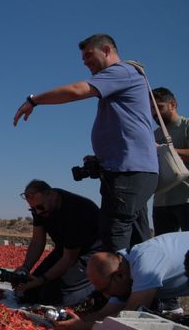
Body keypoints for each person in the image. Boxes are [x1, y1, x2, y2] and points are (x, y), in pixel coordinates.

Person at [13, 34, 158, 253]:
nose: (86, 62)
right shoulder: (123, 79)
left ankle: (115, 285)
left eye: (89, 55)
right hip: (125, 169)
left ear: (107, 50)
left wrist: (34, 100)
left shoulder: (122, 72)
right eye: (83, 59)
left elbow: (76, 91)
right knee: (137, 238)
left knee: (114, 235)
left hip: (127, 172)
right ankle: (139, 284)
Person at [56, 232, 189, 329]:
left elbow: (132, 317)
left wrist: (85, 327)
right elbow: (106, 313)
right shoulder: (121, 265)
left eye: (105, 290)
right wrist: (76, 321)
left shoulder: (145, 265)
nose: (105, 295)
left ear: (119, 276)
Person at [13, 180, 102, 306]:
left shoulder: (76, 211)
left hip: (90, 254)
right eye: (32, 209)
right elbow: (38, 241)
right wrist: (25, 268)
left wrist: (42, 279)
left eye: (40, 207)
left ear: (52, 195)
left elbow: (69, 258)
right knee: (29, 293)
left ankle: (96, 287)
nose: (38, 212)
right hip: (64, 250)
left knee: (54, 296)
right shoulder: (40, 207)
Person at [151, 87, 189, 234]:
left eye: (159, 107)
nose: (155, 113)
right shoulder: (153, 135)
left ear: (173, 105)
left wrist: (166, 151)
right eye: (152, 109)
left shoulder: (186, 126)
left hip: (186, 199)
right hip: (161, 202)